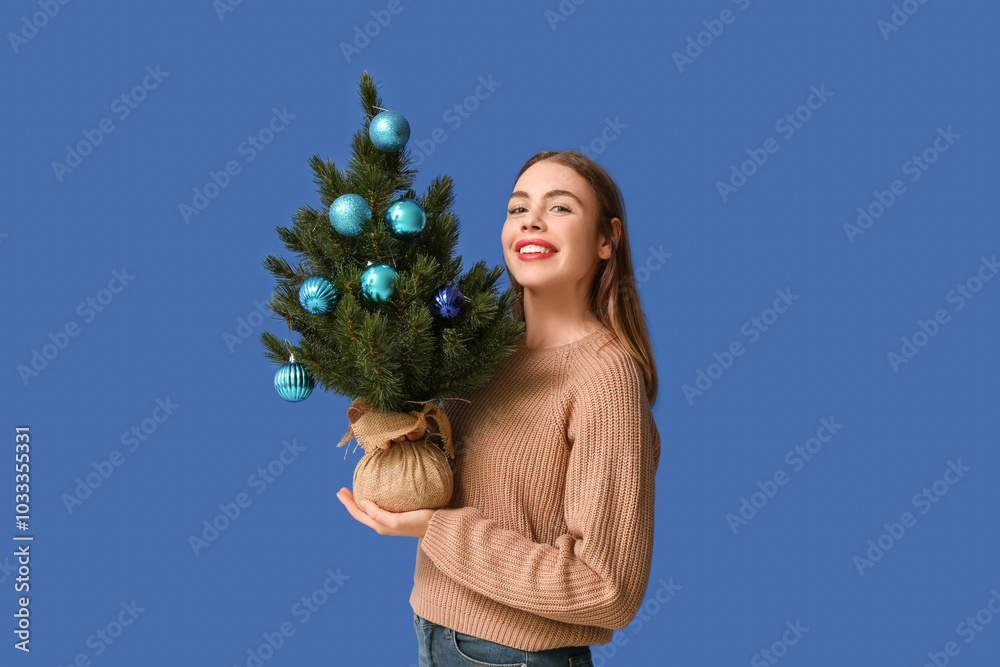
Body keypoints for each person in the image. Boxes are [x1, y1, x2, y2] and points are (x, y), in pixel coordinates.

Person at [337, 150, 660, 667]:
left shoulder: (605, 378)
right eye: (517, 208)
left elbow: (608, 587)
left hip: (517, 656)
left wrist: (433, 528)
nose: (531, 219)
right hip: (434, 632)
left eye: (560, 208)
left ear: (606, 240)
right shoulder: (485, 350)